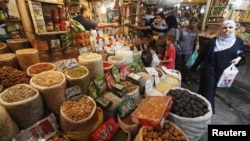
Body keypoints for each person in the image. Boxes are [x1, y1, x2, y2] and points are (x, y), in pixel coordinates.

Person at [191, 20, 246, 114]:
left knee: (210, 89)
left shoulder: (238, 41)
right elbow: (202, 55)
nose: (227, 29)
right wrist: (195, 66)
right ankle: (209, 112)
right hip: (209, 69)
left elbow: (241, 52)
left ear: (234, 29)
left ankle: (198, 105)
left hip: (223, 71)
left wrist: (239, 58)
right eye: (225, 27)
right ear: (221, 29)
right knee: (208, 89)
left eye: (230, 27)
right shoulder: (213, 42)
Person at [179, 17, 199, 85]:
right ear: (189, 23)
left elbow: (197, 40)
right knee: (179, 65)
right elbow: (178, 40)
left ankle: (185, 78)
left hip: (189, 51)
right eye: (193, 23)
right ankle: (178, 77)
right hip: (180, 51)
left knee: (187, 66)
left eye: (195, 24)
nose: (194, 25)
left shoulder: (196, 31)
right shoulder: (182, 30)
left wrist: (197, 44)